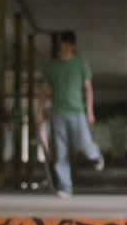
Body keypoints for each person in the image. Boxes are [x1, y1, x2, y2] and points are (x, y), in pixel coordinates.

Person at [37, 31, 105, 198]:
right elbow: (44, 91)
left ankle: (95, 155)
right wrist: (39, 112)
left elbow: (88, 89)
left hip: (77, 112)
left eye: (67, 44)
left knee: (83, 143)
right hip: (58, 113)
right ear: (60, 45)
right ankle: (65, 187)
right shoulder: (51, 67)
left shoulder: (81, 64)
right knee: (61, 151)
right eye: (62, 44)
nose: (64, 47)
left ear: (72, 46)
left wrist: (90, 111)